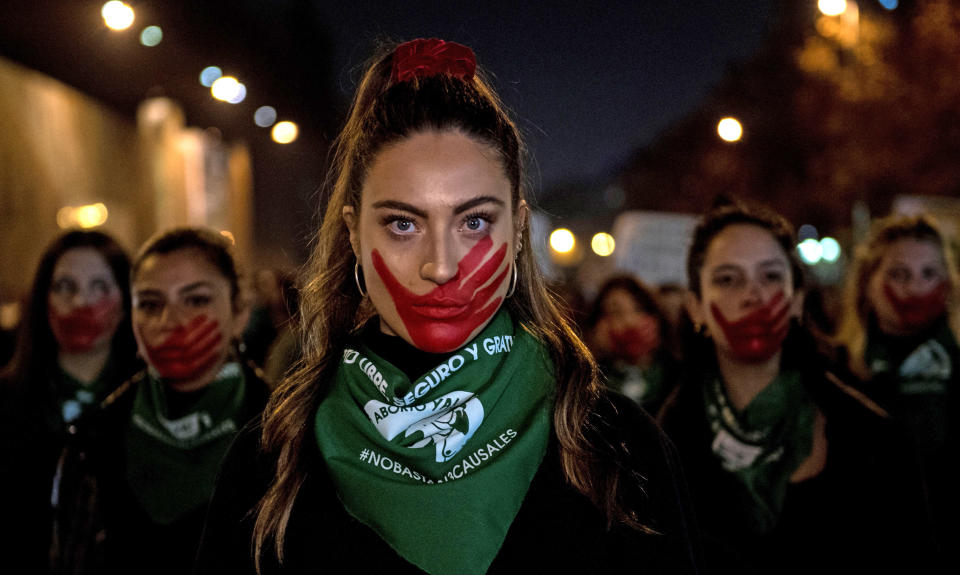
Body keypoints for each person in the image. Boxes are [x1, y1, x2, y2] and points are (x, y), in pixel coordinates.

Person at [196, 38, 703, 575]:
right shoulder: (272, 461)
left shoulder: (620, 449)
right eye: (403, 224)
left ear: (520, 230)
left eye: (474, 222)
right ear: (353, 232)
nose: (441, 265)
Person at [656, 202, 936, 574]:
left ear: (797, 300)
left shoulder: (877, 438)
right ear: (696, 309)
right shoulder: (657, 452)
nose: (753, 295)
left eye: (770, 276)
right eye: (727, 279)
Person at [48, 227, 270, 575]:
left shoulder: (286, 433)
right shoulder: (94, 439)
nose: (171, 322)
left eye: (196, 300)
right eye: (151, 304)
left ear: (239, 312)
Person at [0, 229, 139, 571]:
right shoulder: (5, 401)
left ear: (126, 300)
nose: (81, 302)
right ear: (42, 299)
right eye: (65, 287)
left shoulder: (150, 403)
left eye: (100, 287)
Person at [833, 212, 959, 561]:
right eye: (899, 274)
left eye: (929, 274)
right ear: (867, 283)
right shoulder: (837, 370)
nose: (915, 288)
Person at [586, 274, 678, 413]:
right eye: (616, 312)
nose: (630, 321)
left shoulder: (679, 379)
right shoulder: (587, 384)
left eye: (638, 309)